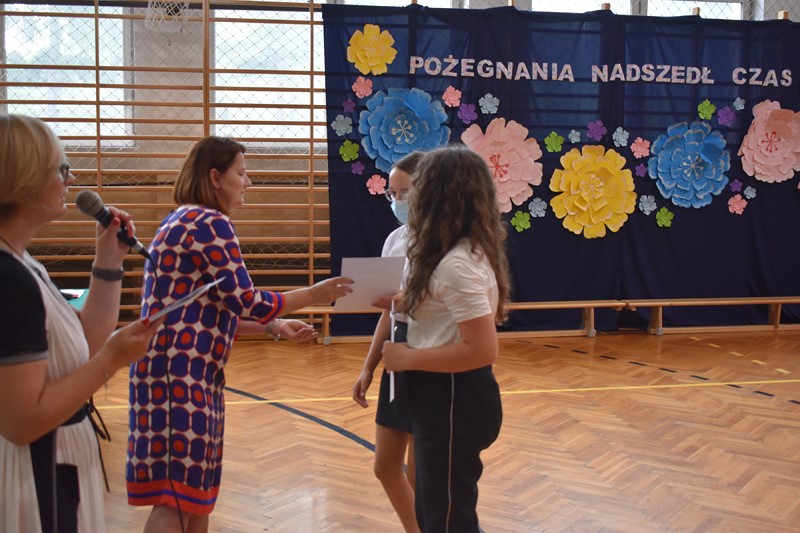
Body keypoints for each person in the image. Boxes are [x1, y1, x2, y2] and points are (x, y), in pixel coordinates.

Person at [126, 136, 353, 533]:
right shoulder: (209, 223)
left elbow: (213, 310)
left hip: (183, 373)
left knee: (196, 495)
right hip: (179, 376)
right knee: (178, 498)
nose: (248, 182)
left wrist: (274, 326)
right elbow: (246, 301)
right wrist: (313, 295)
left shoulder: (182, 219)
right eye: (241, 173)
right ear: (215, 177)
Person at [0, 113, 164, 533]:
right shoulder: (9, 280)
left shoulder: (21, 263)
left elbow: (83, 341)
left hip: (56, 460)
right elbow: (22, 422)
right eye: (61, 168)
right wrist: (112, 360)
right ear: (25, 178)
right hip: (36, 472)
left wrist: (108, 261)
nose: (70, 179)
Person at [381, 145, 509, 533]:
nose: (409, 200)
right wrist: (405, 301)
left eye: (417, 190)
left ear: (438, 195)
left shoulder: (457, 263)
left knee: (447, 518)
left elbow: (482, 349)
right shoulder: (450, 255)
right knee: (433, 510)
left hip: (456, 397)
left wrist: (407, 358)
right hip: (439, 396)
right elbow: (445, 309)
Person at [352, 151, 424, 533]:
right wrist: (368, 366)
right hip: (395, 352)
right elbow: (388, 312)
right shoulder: (394, 240)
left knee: (420, 474)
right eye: (392, 194)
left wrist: (407, 301)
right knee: (385, 467)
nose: (397, 202)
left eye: (404, 193)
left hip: (428, 352)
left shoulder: (447, 242)